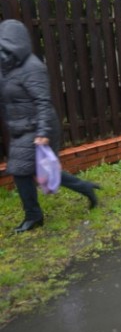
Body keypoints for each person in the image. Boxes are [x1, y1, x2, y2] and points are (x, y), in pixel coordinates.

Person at [0, 19, 100, 233]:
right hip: (20, 128)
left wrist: (43, 132)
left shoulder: (33, 67)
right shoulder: (6, 68)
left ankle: (34, 216)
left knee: (28, 171)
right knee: (34, 171)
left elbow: (43, 101)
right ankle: (85, 188)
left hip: (37, 127)